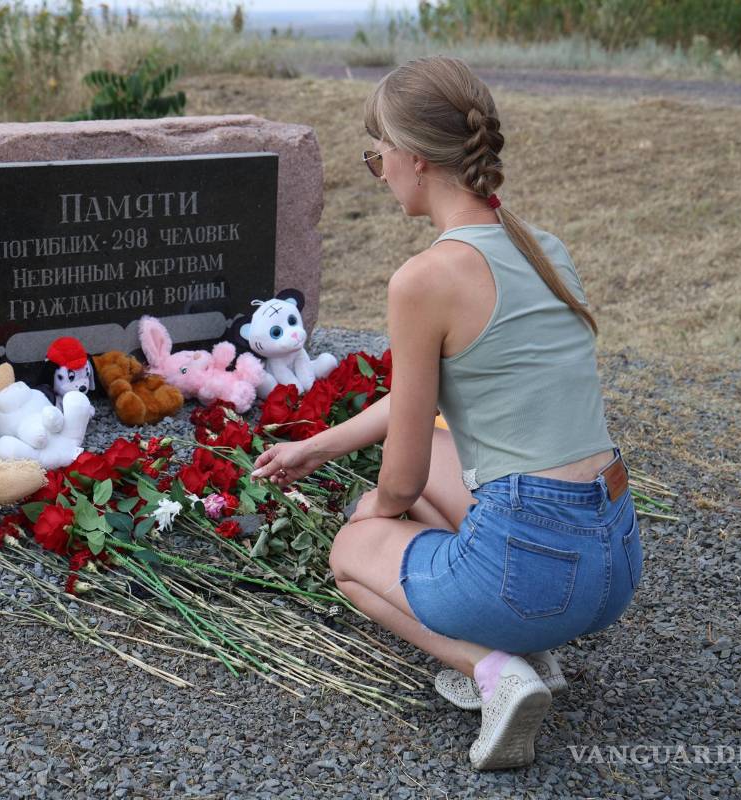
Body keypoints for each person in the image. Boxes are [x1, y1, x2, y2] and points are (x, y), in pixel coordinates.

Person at [249, 56, 643, 770]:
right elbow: (422, 404)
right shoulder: (544, 249)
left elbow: (401, 481)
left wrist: (370, 516)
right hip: (614, 554)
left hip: (537, 573)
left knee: (354, 549)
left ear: (414, 158)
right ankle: (531, 648)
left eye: (376, 157)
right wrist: (321, 447)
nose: (379, 172)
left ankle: (496, 672)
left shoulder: (424, 279)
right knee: (436, 470)